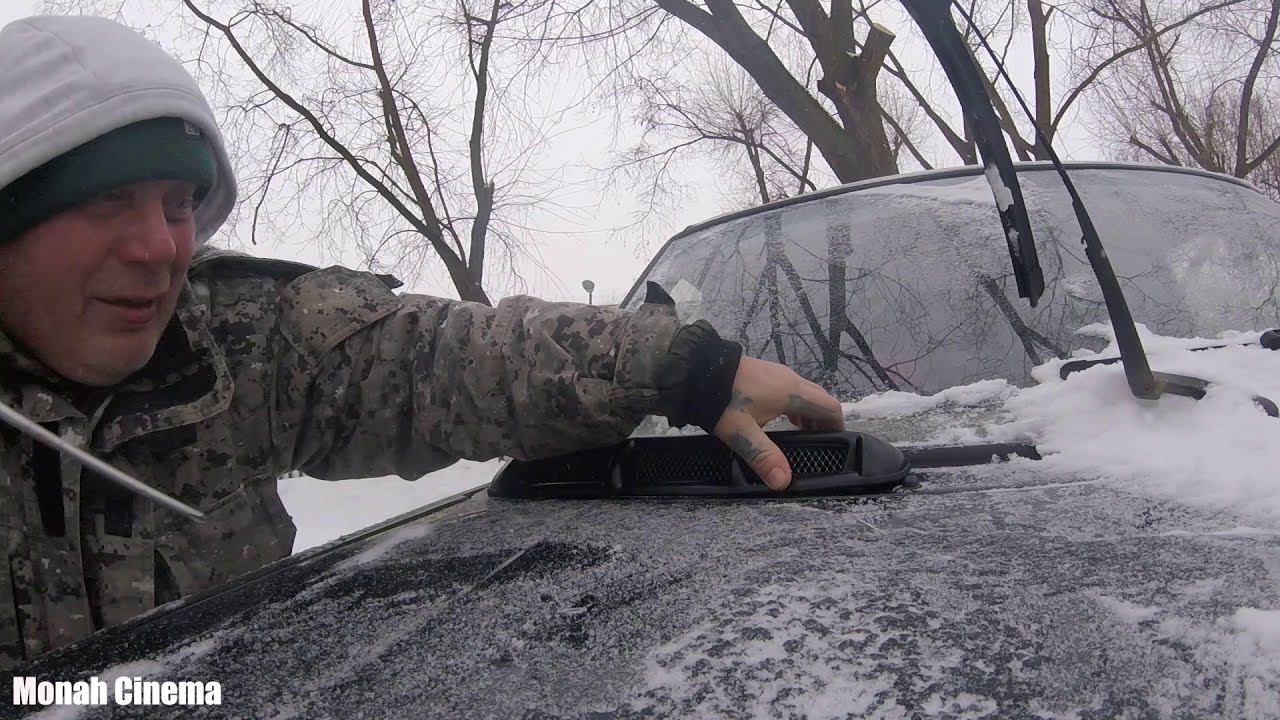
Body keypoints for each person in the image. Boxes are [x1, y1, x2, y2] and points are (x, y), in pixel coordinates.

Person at [0, 15, 845, 670]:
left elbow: (447, 362)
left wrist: (688, 369)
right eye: (106, 203)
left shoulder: (238, 344)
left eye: (178, 204)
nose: (159, 249)